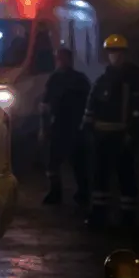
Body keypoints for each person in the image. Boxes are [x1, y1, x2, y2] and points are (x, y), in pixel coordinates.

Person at [83, 34, 139, 228]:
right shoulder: (102, 79)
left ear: (124, 54)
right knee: (100, 175)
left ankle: (128, 217)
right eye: (111, 51)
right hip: (102, 135)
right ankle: (99, 214)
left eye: (117, 51)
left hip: (122, 135)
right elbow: (91, 105)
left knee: (126, 175)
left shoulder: (135, 79)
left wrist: (132, 133)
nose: (114, 55)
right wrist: (87, 128)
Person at [39, 48, 91, 205]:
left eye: (62, 58)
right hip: (59, 125)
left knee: (78, 161)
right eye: (58, 58)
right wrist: (44, 127)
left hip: (74, 126)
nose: (60, 61)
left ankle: (83, 192)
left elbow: (88, 102)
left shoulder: (79, 80)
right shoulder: (54, 79)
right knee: (53, 162)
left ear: (69, 60)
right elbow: (45, 103)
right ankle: (56, 192)